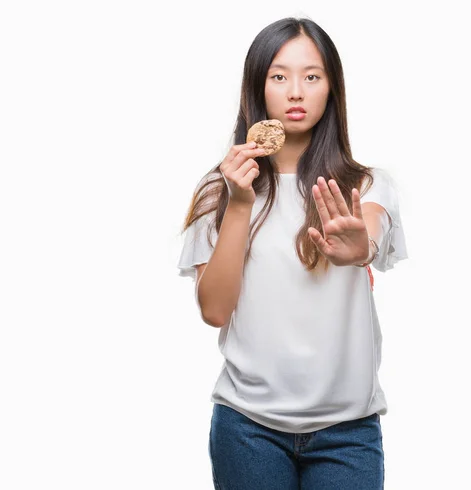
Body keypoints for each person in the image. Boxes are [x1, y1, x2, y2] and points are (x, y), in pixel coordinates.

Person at [177, 16, 408, 490]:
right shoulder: (216, 190)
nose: (296, 91)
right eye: (279, 76)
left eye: (312, 76)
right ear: (258, 89)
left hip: (348, 432)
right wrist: (240, 205)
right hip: (247, 428)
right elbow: (215, 310)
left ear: (332, 88)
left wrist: (357, 248)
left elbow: (368, 230)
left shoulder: (366, 185)